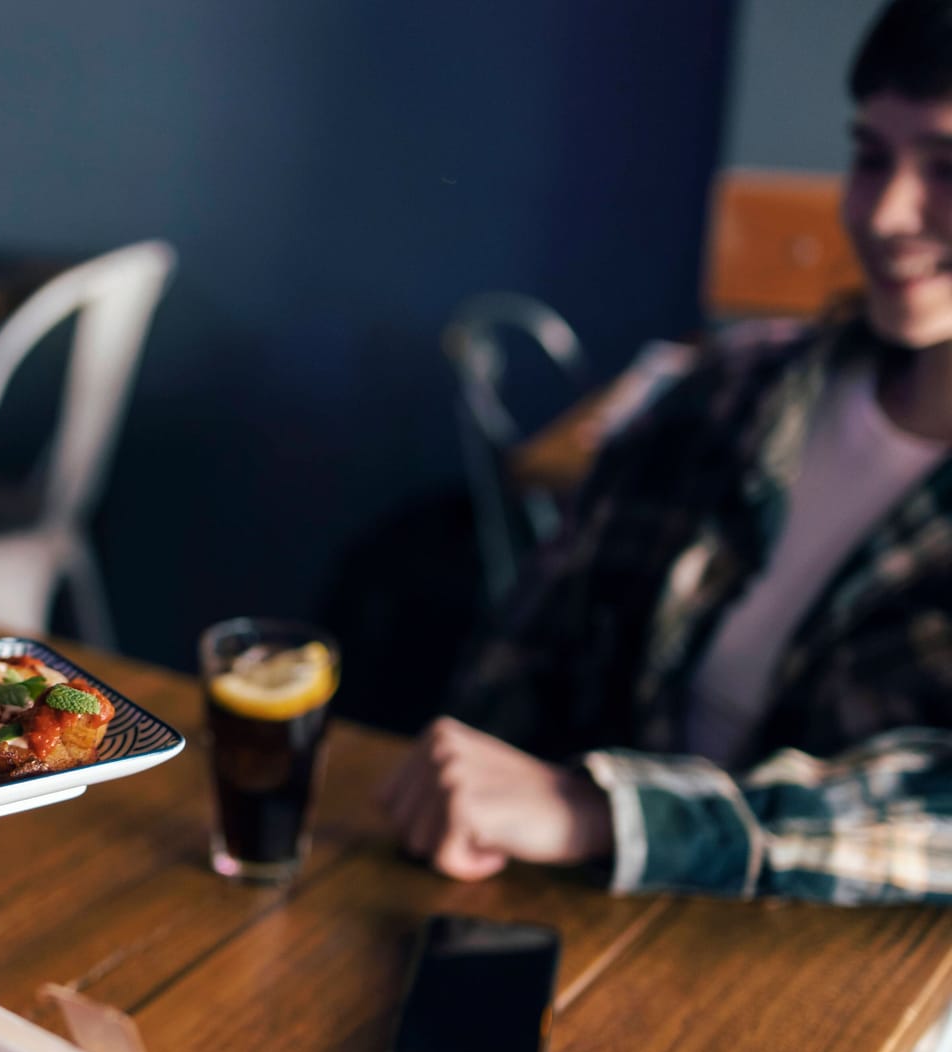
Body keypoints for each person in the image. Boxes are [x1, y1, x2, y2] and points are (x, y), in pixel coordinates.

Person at [383, 0, 952, 904]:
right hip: (571, 916)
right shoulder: (737, 389)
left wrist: (604, 812)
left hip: (838, 999)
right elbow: (529, 643)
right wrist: (461, 804)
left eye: (947, 168)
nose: (884, 211)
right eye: (871, 155)